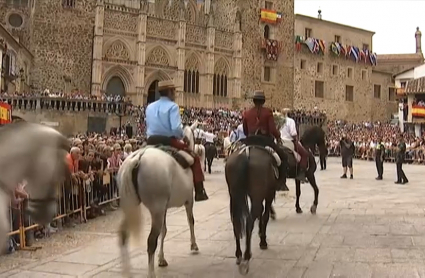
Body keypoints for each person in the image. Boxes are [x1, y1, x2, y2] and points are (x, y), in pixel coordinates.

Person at [145, 80, 208, 201]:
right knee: (194, 158)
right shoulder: (173, 106)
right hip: (167, 141)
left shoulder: (150, 106)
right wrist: (183, 136)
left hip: (150, 140)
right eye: (173, 91)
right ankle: (200, 191)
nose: (175, 93)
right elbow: (176, 129)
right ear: (169, 92)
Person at [242, 90, 289, 191]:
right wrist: (278, 135)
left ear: (253, 101)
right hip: (265, 141)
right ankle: (281, 183)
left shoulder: (247, 113)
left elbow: (245, 131)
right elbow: (272, 129)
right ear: (263, 101)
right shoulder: (267, 112)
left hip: (249, 141)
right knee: (284, 157)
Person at [279, 108, 309, 182]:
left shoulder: (278, 121)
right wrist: (296, 139)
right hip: (289, 141)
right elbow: (293, 133)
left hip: (279, 141)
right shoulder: (290, 121)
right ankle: (301, 175)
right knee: (304, 154)